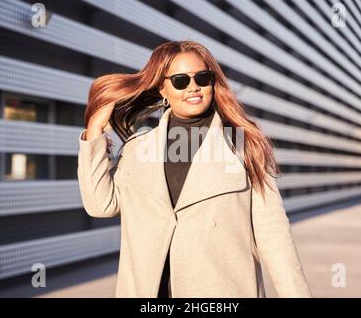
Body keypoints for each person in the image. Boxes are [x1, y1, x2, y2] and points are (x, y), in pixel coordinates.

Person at [77, 40, 312, 298]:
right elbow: (100, 205)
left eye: (202, 77)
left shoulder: (244, 146)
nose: (193, 87)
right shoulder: (138, 149)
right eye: (180, 80)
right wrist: (94, 132)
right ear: (162, 88)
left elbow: (274, 236)